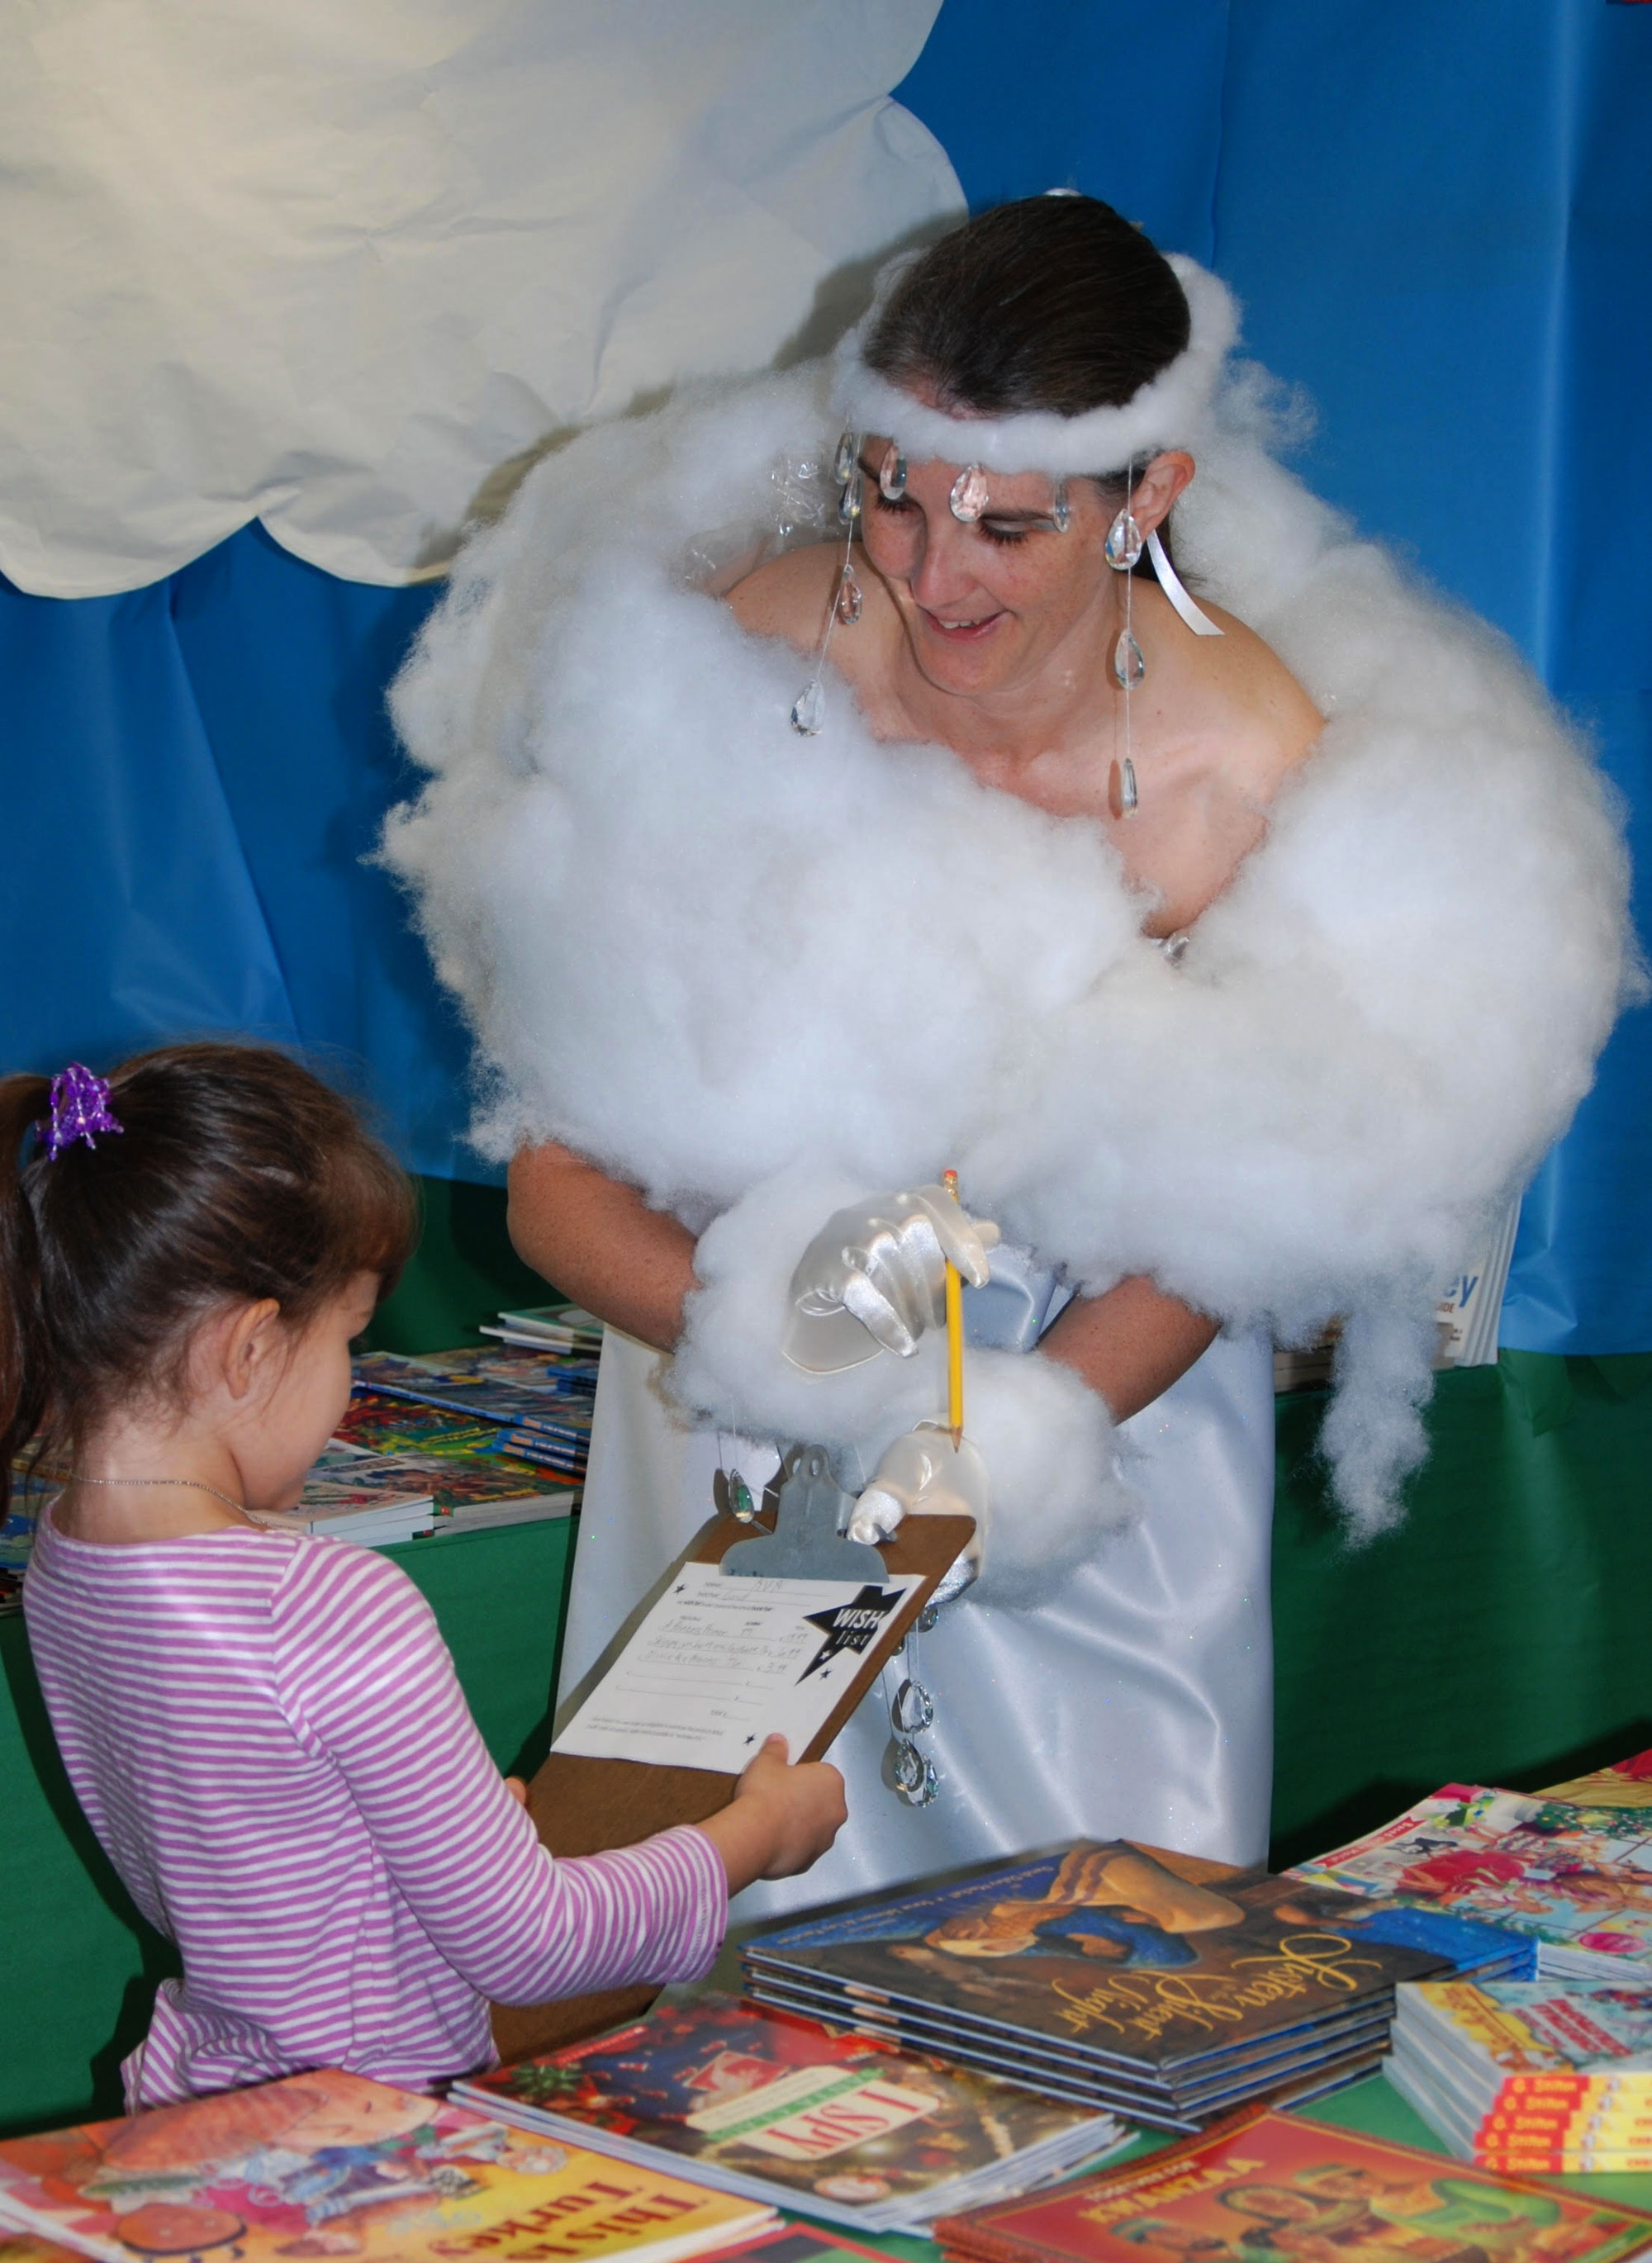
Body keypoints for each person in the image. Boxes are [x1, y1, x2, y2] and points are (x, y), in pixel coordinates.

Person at [383, 197, 1631, 1910]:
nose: (931, 573)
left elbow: (1214, 1235)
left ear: (1148, 499)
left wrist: (1008, 1442)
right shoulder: (731, 663)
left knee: (1081, 1942)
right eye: (893, 496)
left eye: (1008, 527)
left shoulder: (1248, 780)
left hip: (1076, 1457)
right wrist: (774, 1358)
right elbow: (556, 1167)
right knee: (707, 1967)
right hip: (734, 1393)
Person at [3, 1045, 845, 2108]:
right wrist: (752, 1837)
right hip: (375, 2134)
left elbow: (252, 1866)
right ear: (250, 1350)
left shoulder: (67, 1558)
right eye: (349, 1337)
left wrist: (416, 1849)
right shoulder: (325, 1603)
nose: (350, 1383)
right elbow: (533, 1950)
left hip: (198, 2102)